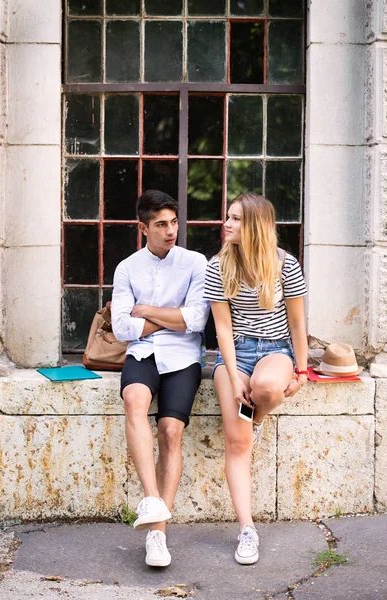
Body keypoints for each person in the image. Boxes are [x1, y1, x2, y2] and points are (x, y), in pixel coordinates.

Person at [203, 193, 308, 566]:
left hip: (275, 349)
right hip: (235, 354)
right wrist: (233, 379)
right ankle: (247, 529)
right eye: (227, 217)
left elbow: (296, 322)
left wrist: (301, 368)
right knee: (236, 443)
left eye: (235, 219)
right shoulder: (218, 266)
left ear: (256, 225)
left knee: (264, 389)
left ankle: (255, 420)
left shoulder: (285, 264)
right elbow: (222, 330)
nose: (227, 224)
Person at [111, 190, 209, 568]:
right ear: (143, 228)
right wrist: (173, 316)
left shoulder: (195, 263)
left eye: (174, 222)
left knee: (170, 432)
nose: (171, 231)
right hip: (141, 353)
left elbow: (197, 320)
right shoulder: (127, 268)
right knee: (134, 400)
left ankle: (158, 535)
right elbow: (122, 328)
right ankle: (152, 502)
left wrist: (147, 312)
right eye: (161, 224)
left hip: (183, 357)